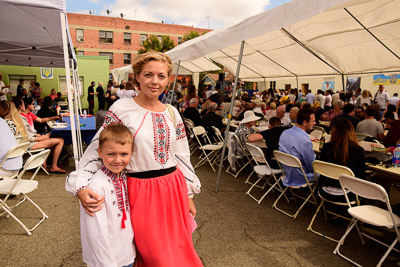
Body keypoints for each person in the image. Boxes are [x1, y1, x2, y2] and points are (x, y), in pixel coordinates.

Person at [65, 52, 203, 267]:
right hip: (139, 190)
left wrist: (187, 194)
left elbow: (182, 155)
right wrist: (80, 185)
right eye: (148, 75)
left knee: (177, 251)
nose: (155, 81)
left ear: (168, 79)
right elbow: (99, 150)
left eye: (161, 76)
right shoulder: (121, 108)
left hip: (173, 188)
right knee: (152, 255)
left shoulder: (173, 112)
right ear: (137, 76)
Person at [80, 123, 136, 267]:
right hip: (107, 259)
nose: (117, 160)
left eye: (124, 154)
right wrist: (107, 263)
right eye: (111, 154)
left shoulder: (123, 175)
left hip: (126, 253)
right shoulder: (96, 185)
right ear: (100, 153)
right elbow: (96, 230)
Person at [13, 97, 66, 173]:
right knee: (60, 140)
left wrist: (39, 136)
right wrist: (41, 138)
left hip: (29, 141)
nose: (34, 106)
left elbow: (39, 122)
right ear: (21, 106)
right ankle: (53, 166)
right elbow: (27, 137)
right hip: (28, 144)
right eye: (33, 104)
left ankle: (44, 162)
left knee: (53, 141)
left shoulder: (23, 116)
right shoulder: (21, 119)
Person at [319, 117, 365, 202]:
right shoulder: (358, 151)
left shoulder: (326, 148)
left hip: (324, 190)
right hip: (348, 194)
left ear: (333, 131)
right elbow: (361, 178)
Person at [279, 108, 316, 186]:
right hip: (301, 177)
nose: (315, 123)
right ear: (305, 123)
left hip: (287, 172)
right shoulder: (305, 141)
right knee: (326, 175)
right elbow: (312, 166)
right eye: (313, 121)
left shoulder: (284, 133)